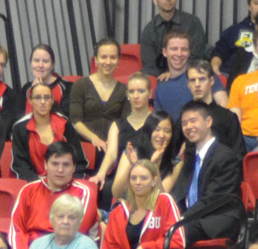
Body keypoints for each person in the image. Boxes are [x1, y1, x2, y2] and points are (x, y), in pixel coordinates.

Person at [164, 100, 244, 249]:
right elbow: (181, 193)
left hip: (216, 219)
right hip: (194, 218)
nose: (188, 127)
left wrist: (181, 219)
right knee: (158, 228)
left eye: (193, 121)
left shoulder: (225, 156)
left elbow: (212, 199)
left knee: (176, 232)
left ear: (208, 122)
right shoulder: (190, 156)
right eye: (184, 123)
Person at [9, 141, 99, 249]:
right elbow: (17, 230)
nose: (60, 170)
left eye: (66, 165)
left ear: (73, 167)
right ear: (45, 165)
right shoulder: (28, 190)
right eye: (55, 164)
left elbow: (73, 233)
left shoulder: (84, 193)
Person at [69, 39, 127, 190]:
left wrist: (110, 143)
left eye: (112, 57)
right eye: (103, 57)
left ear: (118, 61)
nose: (108, 62)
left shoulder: (124, 90)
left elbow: (124, 123)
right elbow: (75, 121)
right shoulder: (81, 85)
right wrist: (93, 138)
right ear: (95, 60)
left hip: (113, 148)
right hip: (84, 148)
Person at [105, 74, 163, 202]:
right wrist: (101, 173)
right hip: (125, 175)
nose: (136, 96)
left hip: (154, 175)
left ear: (150, 93)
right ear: (127, 94)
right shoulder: (117, 124)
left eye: (141, 91)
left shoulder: (159, 123)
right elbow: (111, 154)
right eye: (132, 91)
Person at [9, 82, 77, 183]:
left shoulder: (65, 124)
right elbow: (20, 165)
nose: (42, 102)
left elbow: (77, 159)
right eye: (37, 98)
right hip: (33, 183)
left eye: (47, 98)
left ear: (52, 100)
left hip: (65, 181)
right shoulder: (20, 128)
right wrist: (41, 185)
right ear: (30, 101)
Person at [211, 0, 258, 79]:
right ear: (249, 6)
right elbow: (218, 53)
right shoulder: (234, 30)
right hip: (230, 76)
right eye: (257, 3)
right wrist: (216, 70)